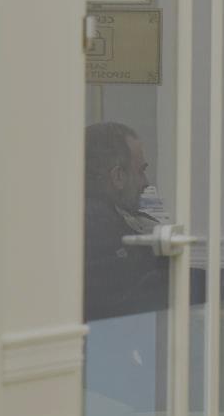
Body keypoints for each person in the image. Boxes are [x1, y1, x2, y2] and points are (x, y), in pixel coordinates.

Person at [83, 122, 212, 322]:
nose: (146, 182)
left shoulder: (104, 216)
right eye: (141, 171)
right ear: (118, 176)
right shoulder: (97, 225)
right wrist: (221, 283)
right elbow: (141, 290)